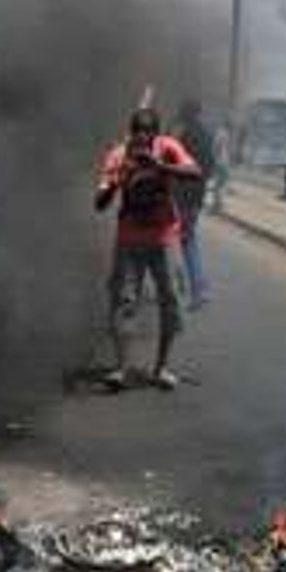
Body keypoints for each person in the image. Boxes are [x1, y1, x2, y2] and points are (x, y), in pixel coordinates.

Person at [95, 107, 202, 391]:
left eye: (148, 134)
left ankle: (162, 368)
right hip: (129, 240)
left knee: (171, 302)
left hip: (164, 238)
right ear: (131, 134)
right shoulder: (118, 155)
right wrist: (115, 182)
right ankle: (121, 368)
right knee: (124, 302)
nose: (143, 140)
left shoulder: (167, 148)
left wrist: (160, 166)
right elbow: (100, 203)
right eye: (138, 134)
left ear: (156, 134)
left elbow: (195, 172)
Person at [171, 100, 213, 309]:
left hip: (182, 197)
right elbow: (210, 167)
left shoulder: (186, 137)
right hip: (196, 197)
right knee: (188, 240)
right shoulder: (206, 135)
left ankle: (195, 289)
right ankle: (196, 288)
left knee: (177, 240)